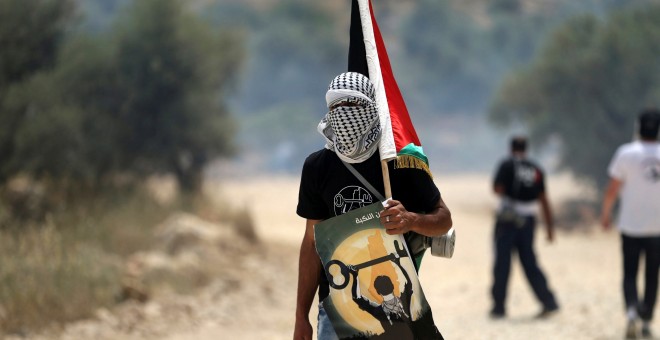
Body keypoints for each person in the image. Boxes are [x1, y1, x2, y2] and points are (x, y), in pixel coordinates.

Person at [293, 72, 453, 340]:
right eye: (336, 106)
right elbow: (311, 244)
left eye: (352, 105)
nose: (343, 113)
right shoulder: (317, 167)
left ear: (370, 107)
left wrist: (410, 220)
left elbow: (444, 219)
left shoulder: (400, 162)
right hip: (337, 308)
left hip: (400, 305)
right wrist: (301, 317)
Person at [600, 108, 660, 339]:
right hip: (657, 227)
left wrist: (605, 215)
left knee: (629, 272)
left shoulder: (626, 153)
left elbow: (612, 189)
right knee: (653, 274)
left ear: (638, 127)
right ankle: (646, 317)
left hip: (631, 224)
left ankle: (632, 311)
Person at [489, 136, 559, 319]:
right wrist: (550, 228)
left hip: (508, 220)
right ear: (526, 149)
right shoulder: (536, 169)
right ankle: (549, 302)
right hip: (529, 221)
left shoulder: (507, 165)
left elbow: (497, 189)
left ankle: (499, 307)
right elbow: (544, 199)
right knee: (529, 262)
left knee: (502, 264)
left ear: (511, 148)